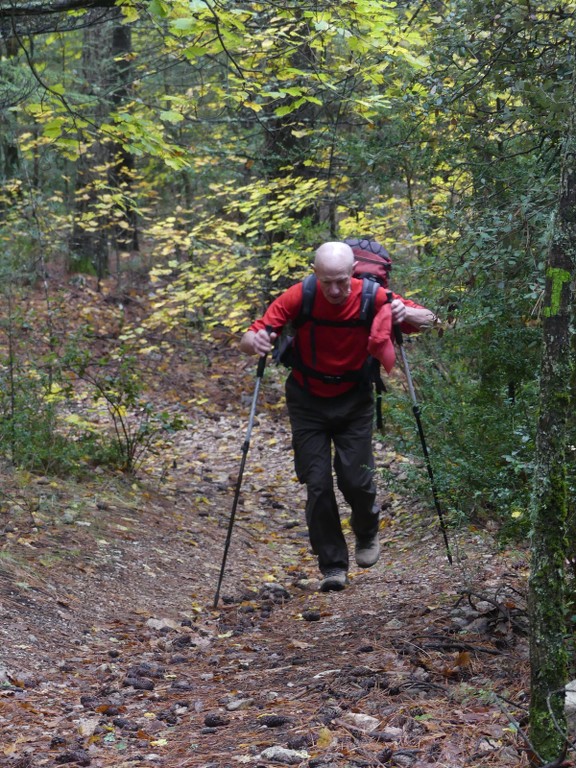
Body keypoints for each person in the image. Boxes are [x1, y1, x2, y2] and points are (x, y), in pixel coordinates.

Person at [240, 241, 436, 592]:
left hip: (354, 399)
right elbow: (253, 333)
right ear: (315, 274)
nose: (334, 290)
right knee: (317, 484)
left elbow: (429, 320)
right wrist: (253, 342)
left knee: (356, 480)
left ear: (352, 275)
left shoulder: (373, 296)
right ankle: (332, 566)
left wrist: (415, 316)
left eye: (341, 281)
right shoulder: (299, 296)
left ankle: (366, 530)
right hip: (307, 400)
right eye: (327, 281)